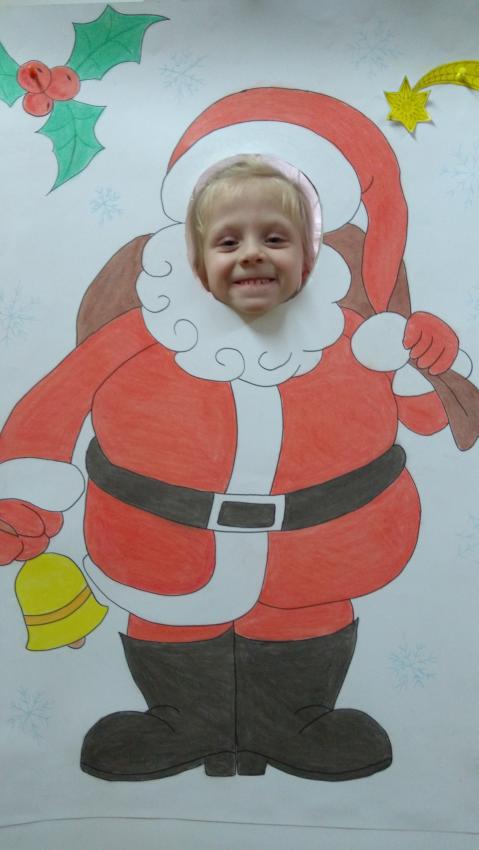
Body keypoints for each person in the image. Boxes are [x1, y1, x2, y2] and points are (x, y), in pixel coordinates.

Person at [0, 149, 467, 783]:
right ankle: (179, 721)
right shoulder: (140, 334)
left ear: (310, 255)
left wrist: (427, 353)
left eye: (275, 239)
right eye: (228, 241)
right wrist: (22, 500)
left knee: (303, 620)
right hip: (163, 547)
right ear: (193, 258)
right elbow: (55, 405)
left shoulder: (357, 338)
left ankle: (296, 720)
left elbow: (429, 416)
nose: (252, 255)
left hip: (313, 553)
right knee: (170, 624)